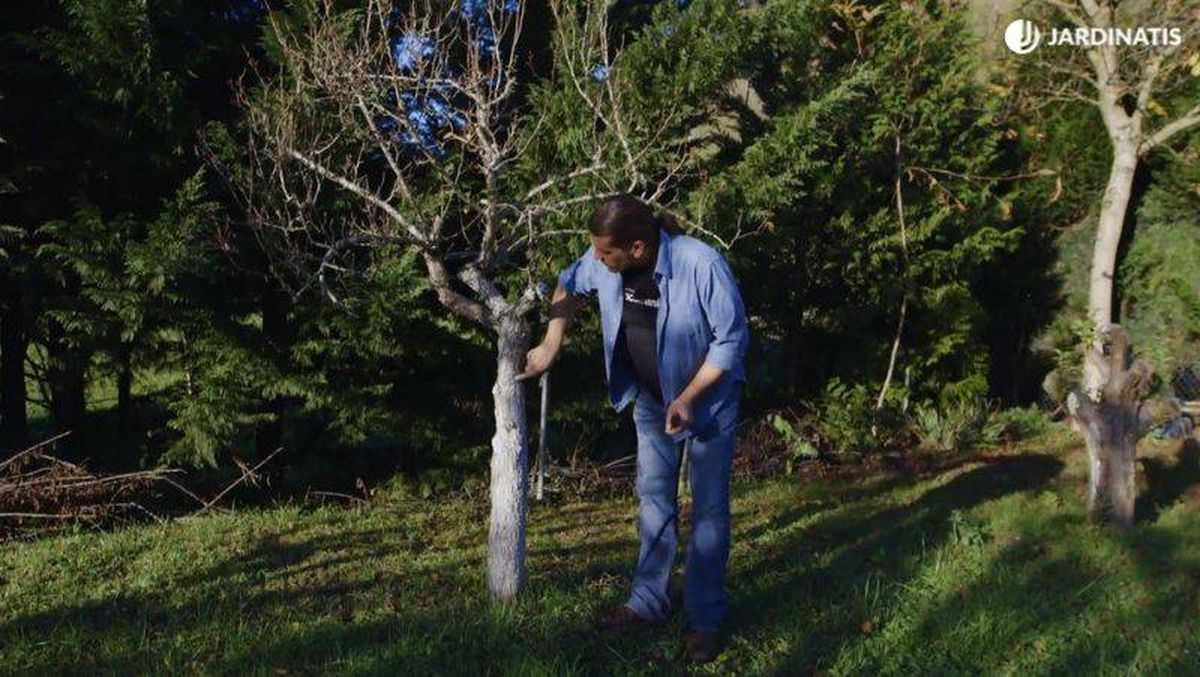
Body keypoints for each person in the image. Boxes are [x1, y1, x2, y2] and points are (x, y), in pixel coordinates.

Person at [517, 194, 750, 664]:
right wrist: (549, 346)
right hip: (649, 400)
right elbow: (568, 283)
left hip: (707, 404)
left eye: (606, 253)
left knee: (707, 511)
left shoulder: (701, 264)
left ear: (639, 248)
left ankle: (705, 619)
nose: (597, 261)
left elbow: (731, 341)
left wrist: (687, 397)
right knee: (654, 499)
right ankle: (648, 603)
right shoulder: (602, 260)